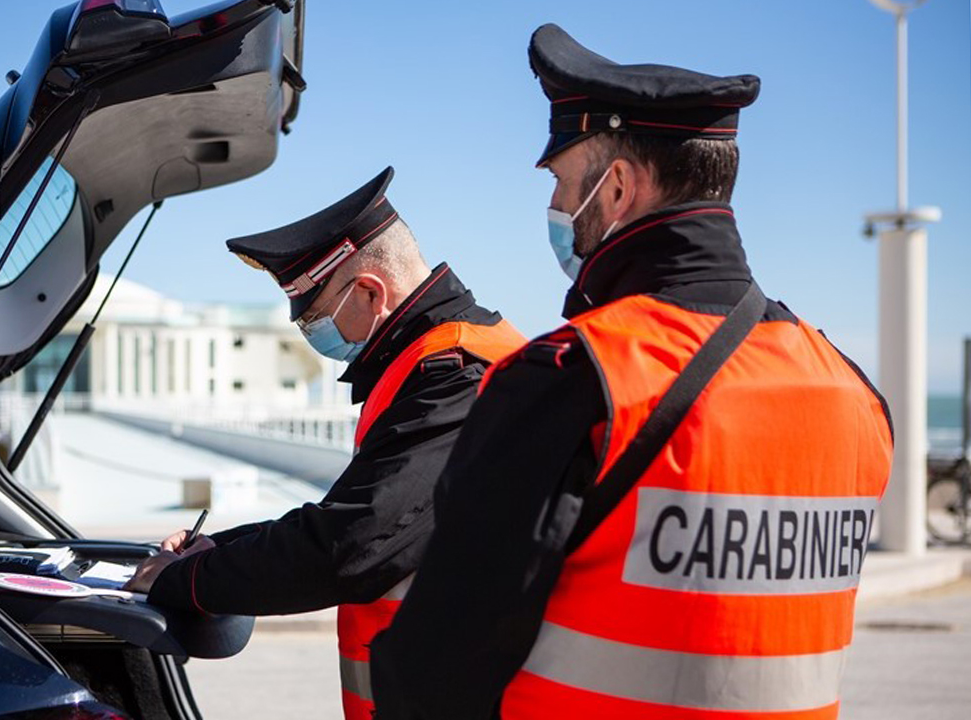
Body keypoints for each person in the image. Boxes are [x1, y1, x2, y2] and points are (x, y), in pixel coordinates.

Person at [370, 24, 894, 720]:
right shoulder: (852, 392)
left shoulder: (573, 378)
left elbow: (433, 669)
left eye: (560, 181)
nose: (554, 208)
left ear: (617, 187)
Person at [124, 167, 525, 720]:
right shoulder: (432, 363)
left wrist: (186, 580)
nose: (313, 336)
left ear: (368, 291)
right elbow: (357, 512)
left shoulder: (459, 376)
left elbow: (352, 542)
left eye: (314, 318)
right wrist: (220, 548)